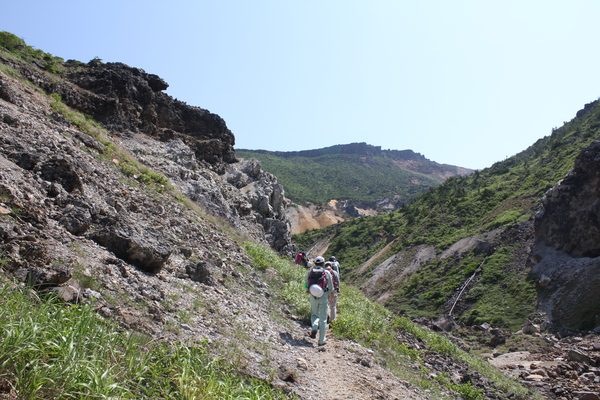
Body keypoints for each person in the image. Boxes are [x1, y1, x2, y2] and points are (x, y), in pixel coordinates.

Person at [305, 256, 333, 346]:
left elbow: (306, 285)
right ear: (323, 263)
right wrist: (331, 297)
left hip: (313, 295)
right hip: (323, 295)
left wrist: (308, 290)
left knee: (314, 314)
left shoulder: (310, 272)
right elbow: (331, 287)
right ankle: (321, 340)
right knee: (323, 318)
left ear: (315, 263)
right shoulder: (326, 272)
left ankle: (314, 327)